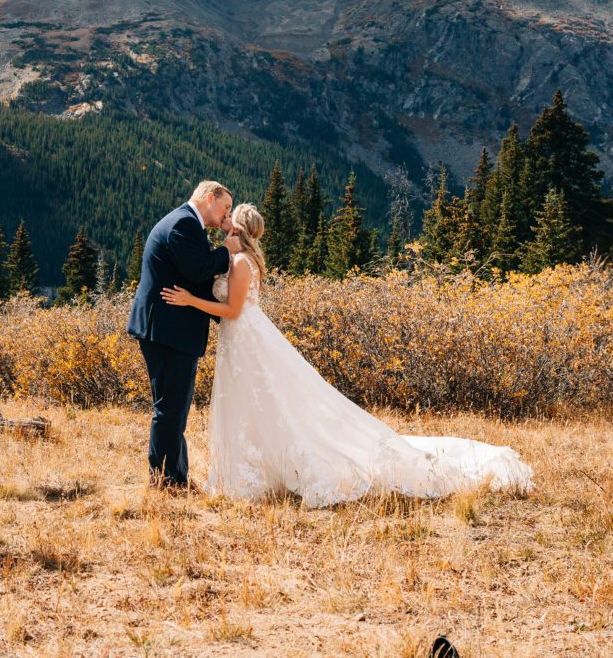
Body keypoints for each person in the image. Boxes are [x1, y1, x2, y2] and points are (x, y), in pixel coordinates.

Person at [160, 202, 533, 507]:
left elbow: (234, 310)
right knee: (253, 405)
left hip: (244, 337)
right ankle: (253, 469)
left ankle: (260, 472)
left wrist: (190, 300)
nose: (221, 220)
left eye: (227, 218)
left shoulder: (241, 263)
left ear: (236, 229)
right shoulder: (238, 259)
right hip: (239, 342)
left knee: (264, 403)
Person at [127, 180, 240, 488]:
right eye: (225, 207)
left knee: (175, 407)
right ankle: (164, 481)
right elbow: (197, 270)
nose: (227, 213)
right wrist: (226, 250)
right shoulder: (183, 225)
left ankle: (176, 476)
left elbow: (195, 277)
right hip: (167, 330)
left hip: (170, 328)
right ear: (208, 197)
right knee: (170, 409)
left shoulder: (187, 223)